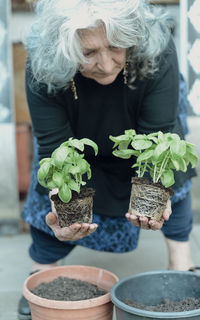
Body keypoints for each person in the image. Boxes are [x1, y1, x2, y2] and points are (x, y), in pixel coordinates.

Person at [18, 0, 197, 318]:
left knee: (166, 160)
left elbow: (157, 136)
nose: (106, 64)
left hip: (140, 126)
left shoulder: (155, 46)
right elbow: (53, 151)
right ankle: (42, 272)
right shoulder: (44, 64)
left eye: (116, 46)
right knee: (54, 198)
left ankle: (182, 267)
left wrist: (156, 188)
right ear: (64, 48)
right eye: (88, 53)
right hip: (78, 131)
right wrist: (62, 202)